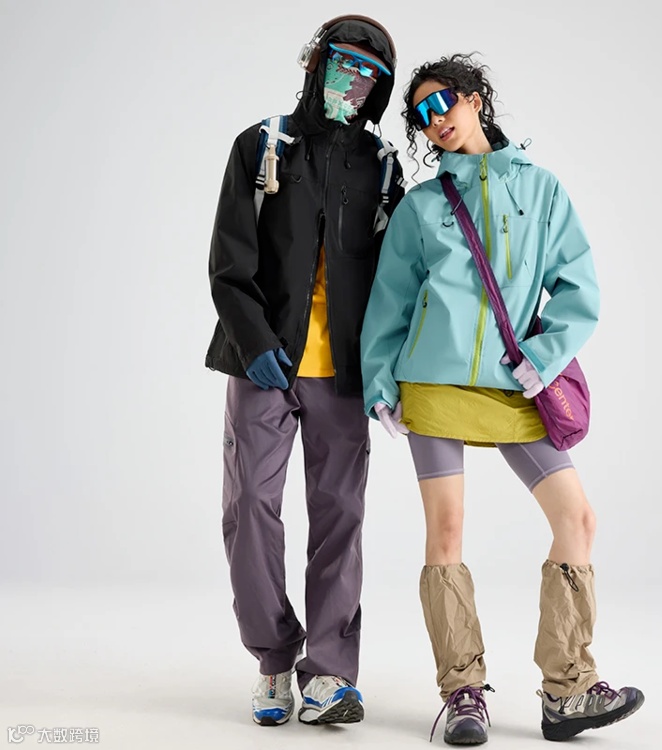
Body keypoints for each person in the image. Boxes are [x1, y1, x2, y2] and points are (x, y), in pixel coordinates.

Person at [360, 53, 644, 745]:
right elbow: (390, 301)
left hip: (517, 385)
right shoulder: (422, 206)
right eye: (421, 115)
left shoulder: (542, 190)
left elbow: (577, 287)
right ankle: (462, 693)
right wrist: (380, 383)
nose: (435, 120)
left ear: (476, 100)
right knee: (447, 531)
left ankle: (567, 689)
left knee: (577, 519)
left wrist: (544, 358)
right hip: (433, 381)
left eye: (444, 102)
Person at [205, 15, 403, 728]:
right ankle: (272, 660)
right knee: (250, 510)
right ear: (316, 63)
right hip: (262, 360)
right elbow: (228, 260)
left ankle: (329, 674)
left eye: (370, 74)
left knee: (341, 516)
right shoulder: (262, 145)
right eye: (344, 63)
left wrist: (387, 369)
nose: (354, 80)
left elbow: (395, 278)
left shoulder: (382, 166)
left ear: (379, 89)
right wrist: (254, 341)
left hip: (344, 373)